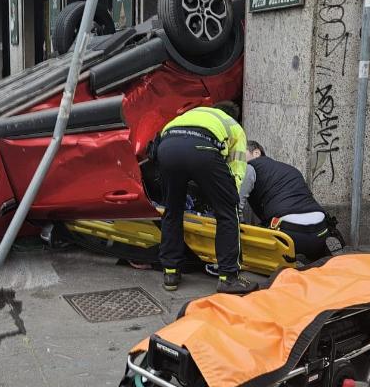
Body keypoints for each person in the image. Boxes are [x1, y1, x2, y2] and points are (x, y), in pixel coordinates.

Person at [141, 100, 256, 294]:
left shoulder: (190, 114)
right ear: (232, 116)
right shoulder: (233, 126)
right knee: (228, 213)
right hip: (203, 150)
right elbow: (237, 167)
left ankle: (171, 272)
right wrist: (228, 197)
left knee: (173, 211)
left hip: (167, 150)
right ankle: (228, 277)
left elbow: (162, 142)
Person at [242, 140, 345, 264]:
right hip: (321, 227)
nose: (236, 159)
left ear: (256, 153)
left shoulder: (249, 167)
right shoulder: (289, 168)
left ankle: (293, 259)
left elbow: (237, 202)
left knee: (258, 238)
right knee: (311, 238)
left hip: (289, 233)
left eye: (240, 154)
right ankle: (321, 251)